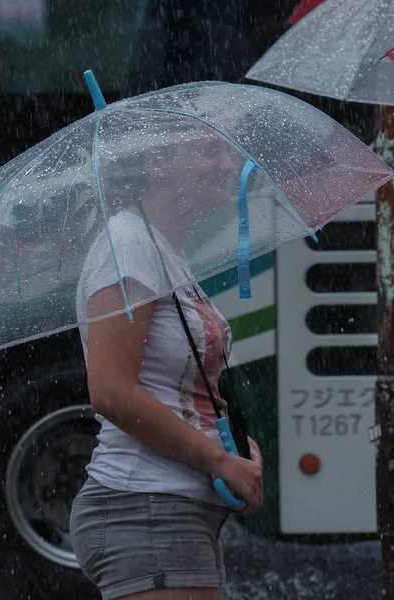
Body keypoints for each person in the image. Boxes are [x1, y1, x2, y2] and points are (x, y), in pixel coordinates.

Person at [70, 129, 263, 600]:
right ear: (155, 166)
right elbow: (111, 390)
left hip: (170, 509)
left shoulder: (161, 248)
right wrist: (218, 459)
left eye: (227, 151)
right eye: (208, 151)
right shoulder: (128, 245)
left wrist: (237, 450)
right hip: (144, 509)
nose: (227, 164)